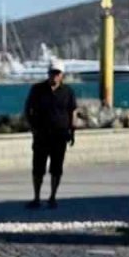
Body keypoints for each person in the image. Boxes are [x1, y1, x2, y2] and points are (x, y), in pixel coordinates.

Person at [25, 58, 77, 209]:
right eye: (52, 72)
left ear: (62, 75)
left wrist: (72, 131)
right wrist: (32, 127)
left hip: (60, 135)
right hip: (41, 135)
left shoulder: (68, 91)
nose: (54, 75)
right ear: (48, 73)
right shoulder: (37, 89)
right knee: (38, 168)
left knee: (56, 168)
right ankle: (36, 197)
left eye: (57, 73)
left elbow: (72, 111)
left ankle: (53, 196)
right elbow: (28, 109)